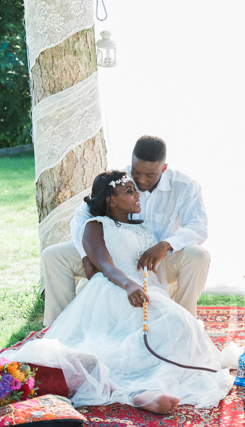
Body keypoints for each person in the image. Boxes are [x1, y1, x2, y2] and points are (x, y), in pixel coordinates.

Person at [8, 171, 233, 414]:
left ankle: (150, 388)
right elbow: (104, 265)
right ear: (111, 201)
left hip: (145, 291)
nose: (137, 194)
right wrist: (128, 285)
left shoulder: (144, 227)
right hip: (114, 290)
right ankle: (134, 392)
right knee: (124, 344)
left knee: (179, 325)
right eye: (129, 191)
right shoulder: (96, 225)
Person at [41, 135, 210, 325]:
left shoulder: (186, 186)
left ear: (164, 168)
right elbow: (81, 217)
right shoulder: (119, 181)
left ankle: (183, 322)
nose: (140, 180)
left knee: (199, 256)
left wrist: (166, 245)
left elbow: (198, 226)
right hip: (110, 255)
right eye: (136, 171)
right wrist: (86, 257)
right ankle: (58, 326)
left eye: (150, 175)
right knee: (53, 255)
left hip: (159, 260)